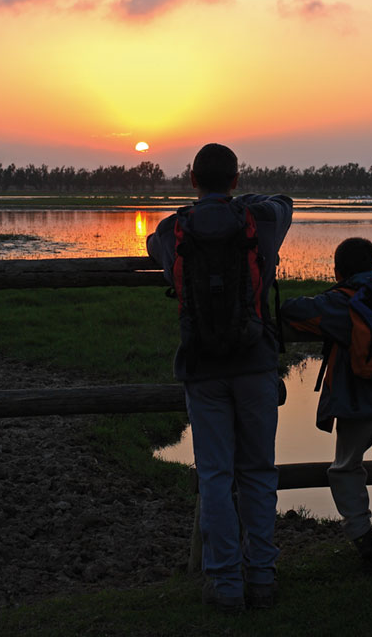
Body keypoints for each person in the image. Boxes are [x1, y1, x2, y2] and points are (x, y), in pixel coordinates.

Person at [146, 143, 293, 612]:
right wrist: (242, 204)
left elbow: (154, 246)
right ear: (236, 179)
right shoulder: (262, 222)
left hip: (202, 367)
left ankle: (225, 584)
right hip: (255, 364)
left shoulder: (174, 229)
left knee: (214, 476)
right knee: (258, 473)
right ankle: (263, 578)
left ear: (192, 180)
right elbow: (285, 203)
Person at [280, 237, 372, 580]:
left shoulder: (341, 302)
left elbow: (293, 309)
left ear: (338, 269)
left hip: (358, 402)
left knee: (345, 469)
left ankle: (361, 535)